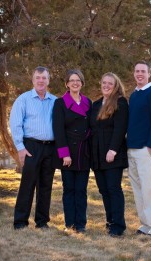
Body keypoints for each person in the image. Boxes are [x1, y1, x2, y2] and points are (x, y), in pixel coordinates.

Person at [9, 66, 57, 230]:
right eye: (38, 77)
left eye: (44, 77)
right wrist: (20, 148)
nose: (41, 80)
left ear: (48, 80)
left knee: (45, 185)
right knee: (27, 184)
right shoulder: (23, 99)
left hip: (50, 148)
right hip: (31, 146)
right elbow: (15, 124)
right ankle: (20, 221)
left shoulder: (55, 101)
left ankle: (42, 221)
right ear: (33, 80)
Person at [127, 60, 151, 236]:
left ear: (149, 73)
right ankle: (145, 224)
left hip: (145, 149)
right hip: (132, 148)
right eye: (137, 71)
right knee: (138, 189)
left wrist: (150, 146)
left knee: (149, 188)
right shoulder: (134, 95)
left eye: (143, 71)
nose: (139, 74)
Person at [53, 69, 92, 233]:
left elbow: (91, 126)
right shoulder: (60, 103)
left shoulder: (88, 102)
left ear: (82, 83)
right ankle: (69, 224)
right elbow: (58, 130)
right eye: (72, 80)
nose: (75, 83)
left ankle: (81, 224)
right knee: (69, 189)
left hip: (84, 152)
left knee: (81, 190)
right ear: (67, 84)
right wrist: (64, 154)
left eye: (78, 80)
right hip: (68, 152)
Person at [90, 72, 129, 237]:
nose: (106, 85)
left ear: (116, 86)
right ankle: (110, 221)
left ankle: (118, 226)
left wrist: (112, 150)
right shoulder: (96, 104)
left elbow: (120, 129)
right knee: (104, 190)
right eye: (104, 82)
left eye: (110, 83)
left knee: (113, 189)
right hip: (97, 154)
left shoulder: (121, 102)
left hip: (113, 154)